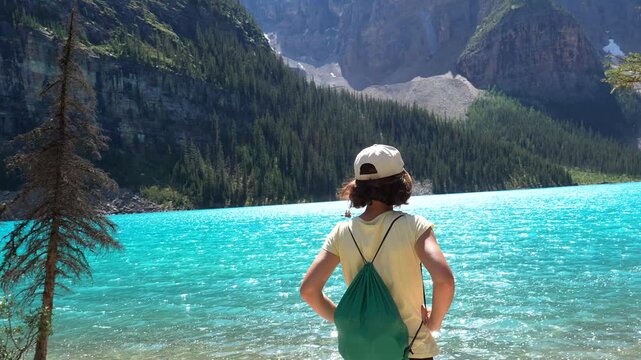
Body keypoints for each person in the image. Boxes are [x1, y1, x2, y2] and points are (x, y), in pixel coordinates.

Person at [300, 144, 455, 360]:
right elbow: (445, 281)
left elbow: (309, 291)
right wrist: (434, 323)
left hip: (364, 350)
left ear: (358, 187)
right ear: (401, 183)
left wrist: (345, 320)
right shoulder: (415, 227)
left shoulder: (341, 232)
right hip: (411, 348)